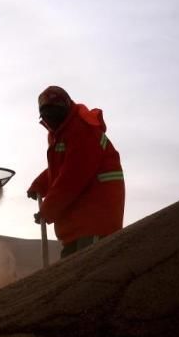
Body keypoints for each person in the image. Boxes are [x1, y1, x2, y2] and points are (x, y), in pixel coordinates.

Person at [27, 86, 125, 258]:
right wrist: (40, 184)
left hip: (95, 219)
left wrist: (48, 210)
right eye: (46, 115)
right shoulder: (60, 132)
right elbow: (63, 166)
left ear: (66, 107)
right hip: (78, 223)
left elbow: (73, 176)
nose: (50, 119)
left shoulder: (82, 129)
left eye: (54, 113)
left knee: (88, 273)